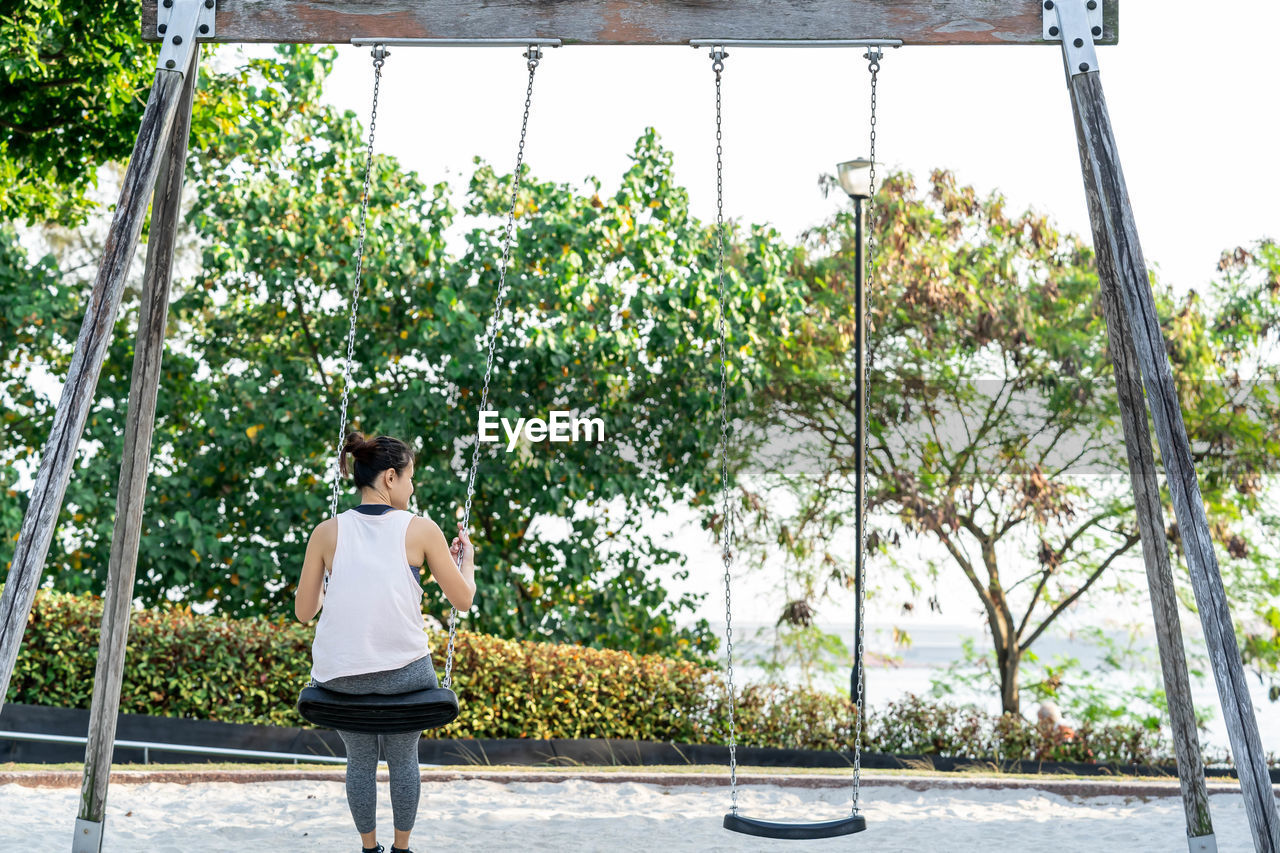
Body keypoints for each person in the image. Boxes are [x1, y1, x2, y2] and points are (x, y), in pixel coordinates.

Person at [294, 431, 477, 853]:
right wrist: (466, 561)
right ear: (391, 478)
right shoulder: (421, 530)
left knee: (359, 760)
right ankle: (401, 849)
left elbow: (305, 612)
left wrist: (329, 578)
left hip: (341, 680)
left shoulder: (326, 532)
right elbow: (463, 600)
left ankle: (367, 848)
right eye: (411, 478)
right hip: (405, 678)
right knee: (402, 758)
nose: (412, 488)